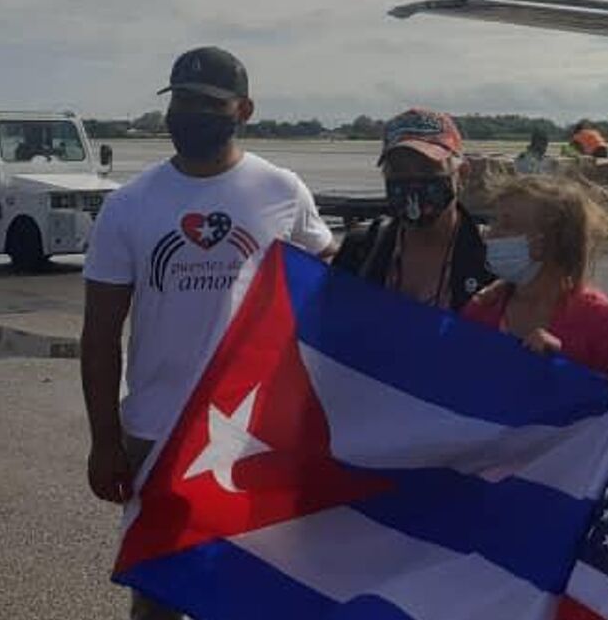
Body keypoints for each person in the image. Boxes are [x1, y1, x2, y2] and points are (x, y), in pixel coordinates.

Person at [79, 46, 335, 620]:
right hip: (156, 433)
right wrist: (103, 440)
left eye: (206, 103)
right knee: (159, 595)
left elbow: (334, 285)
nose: (188, 114)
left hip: (253, 432)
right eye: (181, 101)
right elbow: (99, 335)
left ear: (243, 109)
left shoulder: (281, 192)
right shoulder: (129, 205)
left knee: (250, 591)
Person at [461, 174, 608, 374]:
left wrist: (561, 368)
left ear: (544, 242)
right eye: (493, 221)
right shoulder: (481, 309)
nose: (489, 234)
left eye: (506, 225)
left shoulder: (605, 324)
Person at [332, 107, 493, 310]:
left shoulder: (492, 257)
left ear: (462, 174)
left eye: (428, 168)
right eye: (399, 171)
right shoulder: (362, 249)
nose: (412, 181)